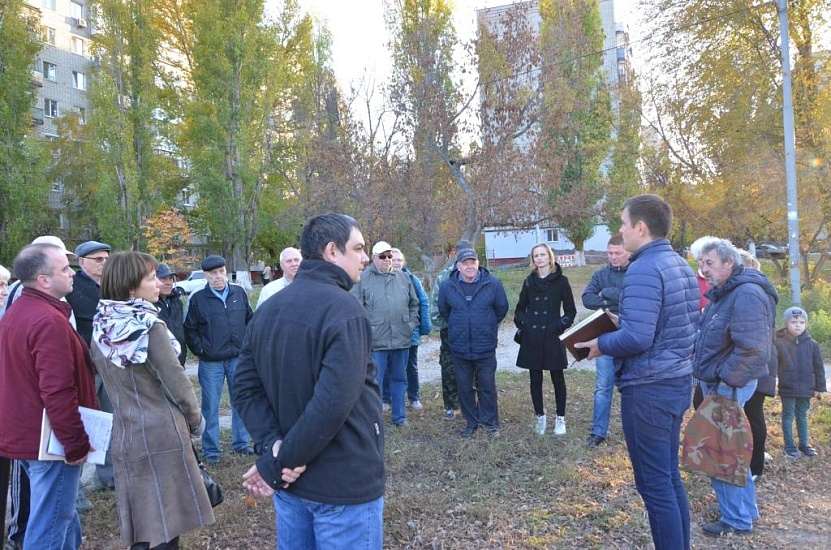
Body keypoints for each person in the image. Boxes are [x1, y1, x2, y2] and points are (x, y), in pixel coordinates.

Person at [233, 213, 384, 548]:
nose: (365, 257)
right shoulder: (345, 311)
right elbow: (331, 404)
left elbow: (244, 388)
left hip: (293, 483)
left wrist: (274, 450)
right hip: (342, 486)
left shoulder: (269, 310)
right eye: (358, 248)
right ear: (332, 251)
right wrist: (281, 458)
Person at [575, 194, 699, 550]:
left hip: (650, 388)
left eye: (624, 224)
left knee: (655, 485)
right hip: (675, 381)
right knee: (669, 478)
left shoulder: (643, 268)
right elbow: (668, 323)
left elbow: (639, 338)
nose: (620, 230)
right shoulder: (678, 263)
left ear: (640, 228)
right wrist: (619, 320)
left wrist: (600, 344)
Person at [90, 252, 214, 550]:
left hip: (126, 432)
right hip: (161, 433)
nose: (159, 283)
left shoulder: (101, 325)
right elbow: (178, 384)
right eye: (151, 278)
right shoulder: (148, 327)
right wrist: (196, 422)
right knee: (165, 526)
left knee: (143, 525)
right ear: (132, 287)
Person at [0, 243, 99, 550]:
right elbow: (57, 390)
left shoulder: (20, 311)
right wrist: (75, 442)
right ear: (43, 280)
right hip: (48, 442)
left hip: (29, 435)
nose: (72, 274)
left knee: (61, 516)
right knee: (49, 527)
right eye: (65, 269)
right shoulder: (47, 320)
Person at [693, 238, 777, 537]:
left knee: (722, 457)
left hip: (726, 385)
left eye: (709, 263)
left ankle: (737, 519)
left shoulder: (746, 294)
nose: (703, 270)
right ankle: (745, 512)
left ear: (730, 263)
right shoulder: (727, 292)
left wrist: (726, 381)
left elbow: (754, 348)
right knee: (729, 454)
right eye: (701, 264)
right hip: (720, 382)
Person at [184, 255, 254, 464]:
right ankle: (211, 450)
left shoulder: (238, 293)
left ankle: (241, 443)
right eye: (213, 273)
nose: (218, 277)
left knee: (240, 402)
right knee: (210, 406)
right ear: (205, 275)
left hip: (237, 359)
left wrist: (247, 347)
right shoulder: (198, 299)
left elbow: (250, 320)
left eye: (222, 272)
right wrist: (201, 350)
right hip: (211, 362)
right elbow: (190, 329)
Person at [439, 243, 509, 437]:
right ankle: (471, 423)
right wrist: (460, 326)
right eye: (465, 263)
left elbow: (501, 308)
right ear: (458, 266)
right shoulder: (448, 286)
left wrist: (485, 326)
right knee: (464, 387)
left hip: (484, 346)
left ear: (478, 263)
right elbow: (444, 311)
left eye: (473, 262)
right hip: (459, 347)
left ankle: (490, 424)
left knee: (487, 386)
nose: (469, 267)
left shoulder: (492, 284)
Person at [352, 241, 419, 427]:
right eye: (382, 256)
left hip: (401, 339)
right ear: (374, 258)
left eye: (389, 256)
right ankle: (374, 419)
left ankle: (400, 417)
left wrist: (410, 324)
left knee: (400, 379)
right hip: (376, 342)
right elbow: (355, 308)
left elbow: (415, 304)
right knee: (375, 382)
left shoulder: (404, 278)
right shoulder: (363, 279)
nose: (387, 260)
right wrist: (366, 333)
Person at [66, 239, 115, 490]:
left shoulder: (110, 286)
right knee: (80, 422)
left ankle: (108, 477)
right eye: (98, 259)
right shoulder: (71, 287)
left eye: (106, 258)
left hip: (107, 365)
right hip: (82, 367)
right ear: (81, 262)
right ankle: (75, 490)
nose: (104, 263)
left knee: (108, 422)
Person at [514, 243, 576, 436]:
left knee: (558, 378)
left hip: (552, 336)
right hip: (532, 336)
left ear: (550, 257)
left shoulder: (562, 281)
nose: (539, 258)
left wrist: (559, 326)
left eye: (542, 255)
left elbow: (570, 311)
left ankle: (560, 419)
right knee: (535, 378)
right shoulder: (528, 281)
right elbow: (519, 308)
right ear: (533, 260)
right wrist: (524, 324)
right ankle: (540, 417)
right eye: (536, 256)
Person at [581, 234, 629, 447]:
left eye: (617, 253)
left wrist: (609, 293)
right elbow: (587, 299)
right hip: (606, 334)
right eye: (610, 253)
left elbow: (635, 298)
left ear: (627, 251)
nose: (613, 257)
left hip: (630, 334)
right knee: (603, 386)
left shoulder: (636, 273)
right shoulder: (601, 274)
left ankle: (634, 430)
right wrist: (614, 297)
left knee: (632, 387)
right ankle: (598, 431)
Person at [738, 249, 776, 479]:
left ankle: (755, 466)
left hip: (759, 357)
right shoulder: (754, 287)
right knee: (750, 412)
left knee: (753, 412)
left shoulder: (755, 290)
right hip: (757, 356)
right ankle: (751, 458)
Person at [775, 306, 826, 458]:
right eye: (794, 321)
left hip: (806, 388)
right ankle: (789, 446)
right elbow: (773, 366)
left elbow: (819, 368)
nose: (798, 325)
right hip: (787, 387)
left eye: (801, 322)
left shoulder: (812, 345)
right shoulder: (779, 343)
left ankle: (804, 444)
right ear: (786, 323)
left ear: (806, 324)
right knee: (788, 415)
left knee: (802, 415)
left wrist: (820, 387)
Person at [385, 248, 431, 410]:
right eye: (393, 259)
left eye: (399, 260)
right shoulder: (382, 278)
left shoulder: (412, 280)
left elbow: (423, 303)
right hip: (387, 334)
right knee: (387, 367)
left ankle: (414, 397)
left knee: (411, 366)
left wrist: (423, 328)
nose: (396, 262)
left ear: (403, 262)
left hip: (410, 332)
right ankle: (386, 399)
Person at [430, 246, 462, 420]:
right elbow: (435, 303)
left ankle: (471, 403)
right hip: (449, 330)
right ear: (455, 254)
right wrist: (443, 326)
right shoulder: (444, 276)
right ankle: (451, 405)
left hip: (469, 331)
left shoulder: (476, 274)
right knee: (449, 368)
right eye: (459, 253)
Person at [155, 263, 187, 366]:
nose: (168, 283)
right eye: (163, 279)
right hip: (160, 362)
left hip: (179, 359)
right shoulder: (148, 304)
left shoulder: (177, 302)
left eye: (171, 278)